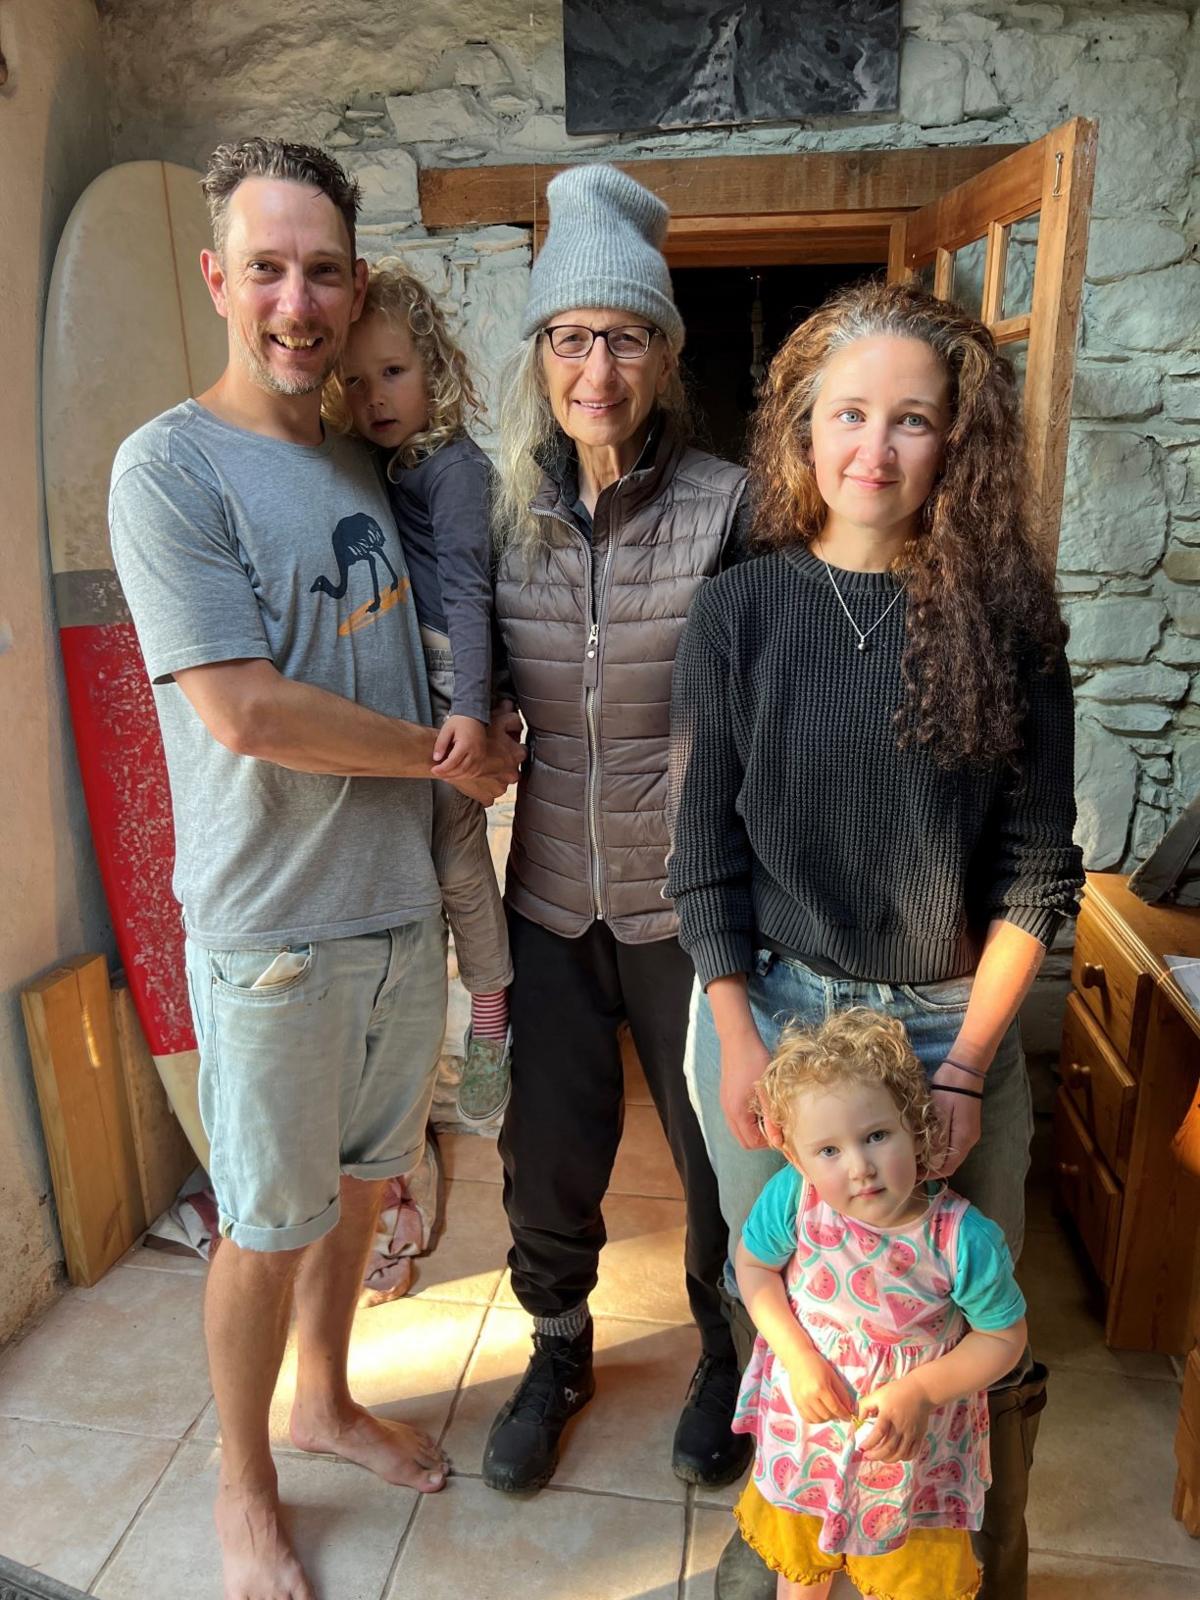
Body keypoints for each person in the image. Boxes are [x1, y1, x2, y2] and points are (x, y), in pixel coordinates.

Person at [108, 138, 521, 1600]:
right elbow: (245, 709)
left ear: (354, 292)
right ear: (220, 281)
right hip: (272, 927)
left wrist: (494, 728)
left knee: (360, 1194)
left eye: (324, 269)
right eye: (267, 267)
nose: (297, 298)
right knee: (266, 1225)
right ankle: (242, 1485)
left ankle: (328, 1401)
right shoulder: (167, 467)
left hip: (401, 913)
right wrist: (442, 759)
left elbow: (441, 643)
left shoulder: (370, 453)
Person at [668, 280, 1084, 1600]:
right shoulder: (738, 617)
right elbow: (701, 863)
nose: (875, 449)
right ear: (799, 430)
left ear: (956, 443)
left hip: (949, 1027)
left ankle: (975, 1559)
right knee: (789, 1296)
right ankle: (792, 1539)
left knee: (960, 1318)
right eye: (848, 413)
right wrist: (736, 1035)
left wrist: (962, 1067)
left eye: (913, 420)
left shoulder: (1010, 626)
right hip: (777, 1016)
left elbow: (1036, 882)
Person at [484, 162, 753, 1495]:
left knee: (719, 1153)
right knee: (548, 1150)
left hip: (690, 900)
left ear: (664, 356)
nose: (598, 367)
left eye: (627, 336)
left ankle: (727, 1350)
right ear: (540, 352)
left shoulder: (730, 505)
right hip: (546, 893)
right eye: (573, 336)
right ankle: (557, 1345)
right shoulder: (493, 512)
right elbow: (470, 700)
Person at [733, 1009, 1027, 1600]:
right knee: (802, 1560)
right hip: (809, 1431)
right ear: (795, 1157)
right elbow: (755, 1268)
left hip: (910, 1453)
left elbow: (1004, 1338)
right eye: (829, 1150)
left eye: (876, 1136)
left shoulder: (961, 1239)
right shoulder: (794, 1199)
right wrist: (797, 1357)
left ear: (916, 1128)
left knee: (904, 1577)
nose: (860, 1167)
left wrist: (919, 1392)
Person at [328, 262, 513, 1123]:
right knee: (411, 859)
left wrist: (471, 710)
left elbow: (473, 594)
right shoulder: (383, 463)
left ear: (433, 367)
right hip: (405, 668)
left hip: (446, 675)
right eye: (354, 381)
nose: (375, 397)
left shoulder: (453, 469)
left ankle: (489, 1021)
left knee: (454, 860)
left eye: (393, 373)